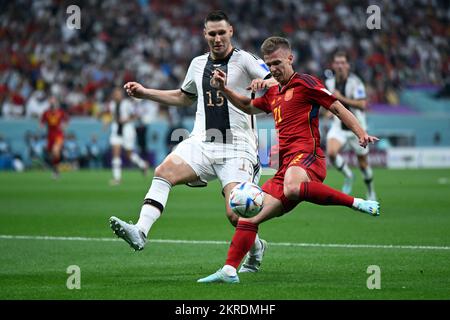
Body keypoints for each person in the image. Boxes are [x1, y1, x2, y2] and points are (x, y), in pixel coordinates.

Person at [197, 36, 380, 284]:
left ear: (290, 58)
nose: (273, 69)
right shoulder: (274, 92)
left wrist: (360, 133)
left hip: (309, 158)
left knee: (293, 187)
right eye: (269, 64)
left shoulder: (306, 83)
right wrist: (224, 89)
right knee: (248, 215)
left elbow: (337, 107)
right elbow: (246, 105)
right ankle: (229, 270)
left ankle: (356, 202)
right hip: (285, 167)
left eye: (277, 63)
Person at [109, 11, 275, 273]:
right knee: (163, 172)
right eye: (212, 33)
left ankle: (257, 248)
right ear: (204, 34)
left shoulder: (245, 61)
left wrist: (266, 81)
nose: (217, 38)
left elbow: (277, 79)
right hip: (202, 142)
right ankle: (141, 230)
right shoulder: (197, 64)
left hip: (238, 147)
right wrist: (145, 93)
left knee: (236, 213)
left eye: (222, 32)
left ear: (231, 31)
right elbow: (184, 97)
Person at [325, 51, 377, 200]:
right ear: (333, 65)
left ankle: (370, 191)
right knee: (332, 153)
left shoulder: (356, 82)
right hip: (338, 126)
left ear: (347, 65)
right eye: (337, 63)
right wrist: (329, 111)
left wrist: (341, 99)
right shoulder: (329, 83)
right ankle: (349, 175)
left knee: (363, 164)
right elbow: (329, 103)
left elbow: (362, 104)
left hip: (357, 127)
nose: (340, 66)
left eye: (343, 62)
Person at [105, 87, 149, 185]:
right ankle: (117, 178)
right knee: (115, 153)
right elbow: (113, 117)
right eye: (115, 94)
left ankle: (142, 164)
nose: (117, 95)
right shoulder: (112, 104)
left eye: (118, 93)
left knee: (129, 154)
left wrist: (126, 120)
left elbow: (136, 115)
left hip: (127, 129)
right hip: (116, 129)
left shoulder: (127, 104)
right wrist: (107, 123)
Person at [40, 96, 69, 178]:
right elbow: (41, 123)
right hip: (50, 135)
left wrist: (64, 126)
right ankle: (56, 171)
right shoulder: (46, 113)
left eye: (54, 101)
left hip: (58, 134)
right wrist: (41, 128)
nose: (52, 103)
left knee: (55, 150)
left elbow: (66, 121)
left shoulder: (61, 112)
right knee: (52, 154)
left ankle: (56, 170)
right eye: (51, 102)